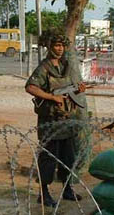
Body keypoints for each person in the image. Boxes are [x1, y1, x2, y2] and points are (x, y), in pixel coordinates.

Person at [25, 31, 86, 207]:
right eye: (56, 46)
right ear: (50, 47)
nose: (59, 49)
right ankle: (43, 194)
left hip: (67, 121)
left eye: (62, 46)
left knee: (68, 157)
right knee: (48, 159)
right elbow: (30, 87)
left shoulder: (66, 66)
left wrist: (78, 90)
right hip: (50, 121)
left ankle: (67, 189)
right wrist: (52, 97)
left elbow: (70, 89)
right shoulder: (44, 68)